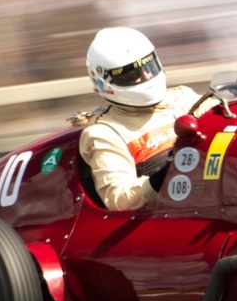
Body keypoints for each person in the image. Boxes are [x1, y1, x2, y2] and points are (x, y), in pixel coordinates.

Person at [73, 27, 205, 211]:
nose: (147, 76)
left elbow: (232, 120)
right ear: (103, 81)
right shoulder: (104, 132)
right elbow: (120, 200)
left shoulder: (183, 97)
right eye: (132, 74)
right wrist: (168, 173)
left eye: (149, 66)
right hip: (169, 215)